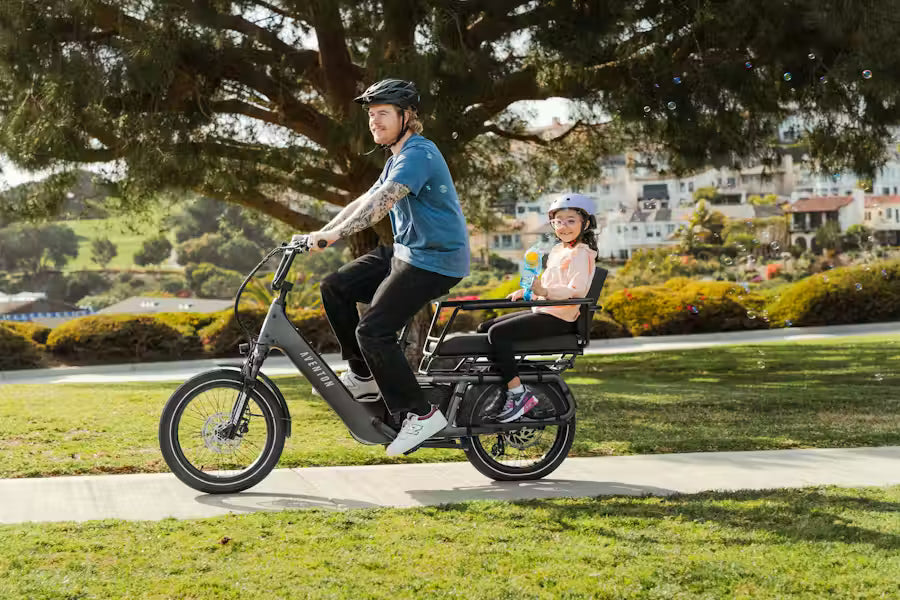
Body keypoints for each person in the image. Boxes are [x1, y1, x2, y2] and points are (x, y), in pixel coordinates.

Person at [298, 79, 470, 456]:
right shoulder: (396, 158)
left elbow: (384, 203)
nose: (374, 121)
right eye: (371, 115)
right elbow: (367, 199)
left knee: (373, 331)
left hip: (436, 259)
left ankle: (421, 414)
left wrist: (334, 235)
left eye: (383, 114)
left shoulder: (419, 154)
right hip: (408, 252)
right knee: (335, 287)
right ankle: (363, 375)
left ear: (406, 117)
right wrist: (323, 232)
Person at [477, 194, 598, 422]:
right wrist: (527, 292)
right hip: (545, 311)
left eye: (571, 221)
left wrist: (544, 291)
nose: (563, 226)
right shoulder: (558, 250)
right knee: (485, 327)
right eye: (558, 221)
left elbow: (577, 290)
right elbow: (546, 284)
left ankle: (517, 394)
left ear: (586, 223)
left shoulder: (581, 254)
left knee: (498, 333)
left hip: (561, 318)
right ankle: (501, 386)